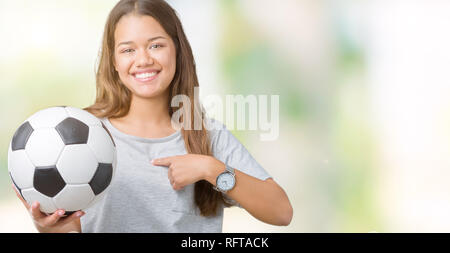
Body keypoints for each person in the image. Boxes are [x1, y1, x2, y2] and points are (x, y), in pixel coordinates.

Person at [13, 0, 293, 233]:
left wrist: (211, 169)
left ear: (177, 50)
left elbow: (281, 212)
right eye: (128, 49)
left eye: (156, 45)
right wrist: (50, 227)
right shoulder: (82, 134)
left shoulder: (206, 137)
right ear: (114, 61)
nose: (143, 59)